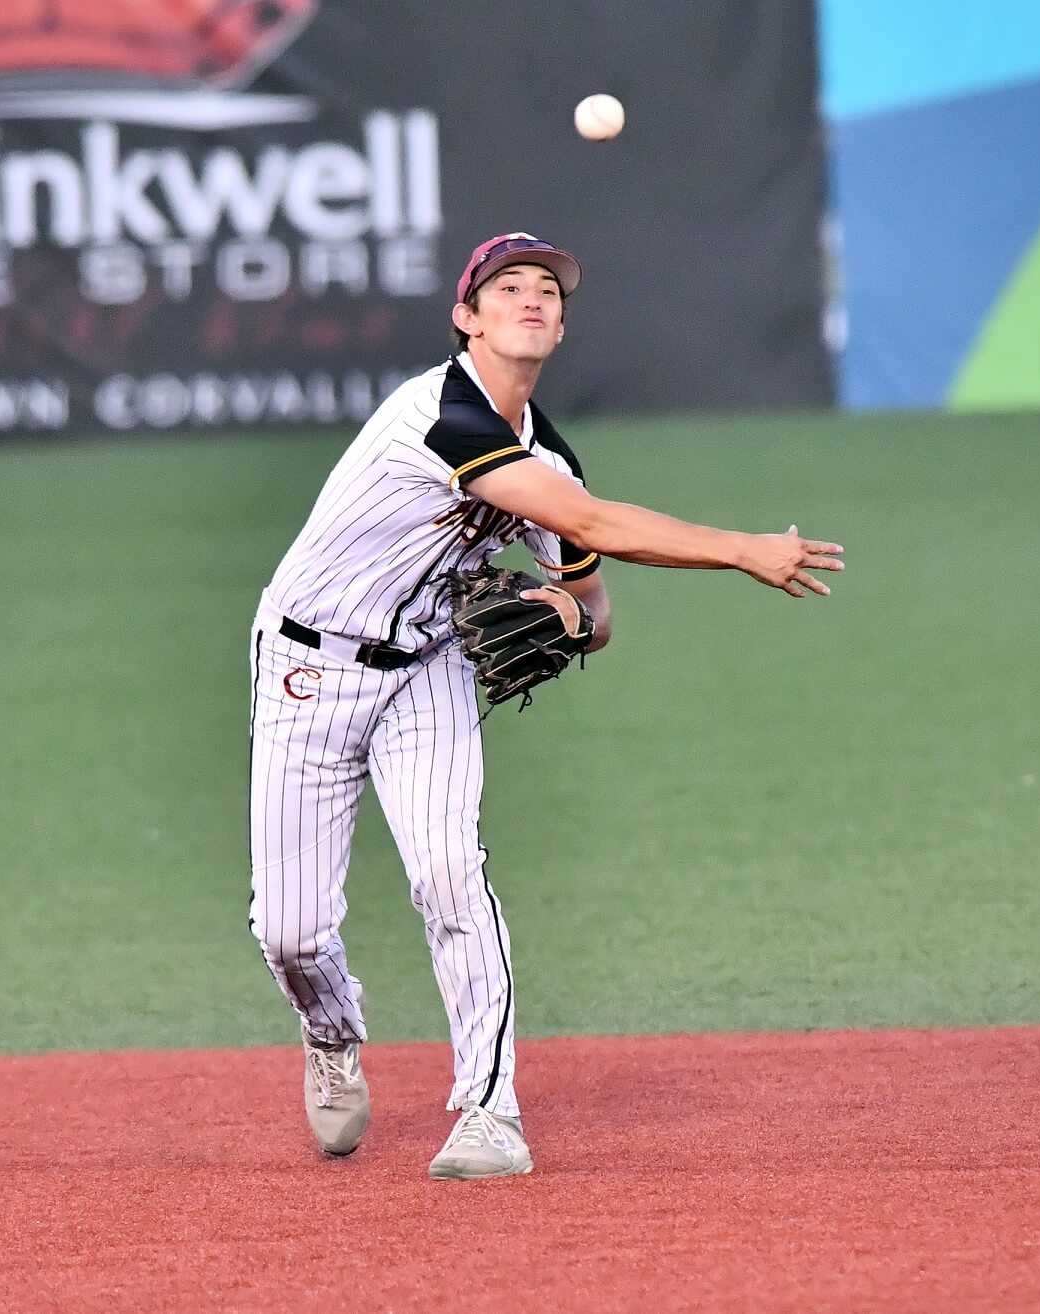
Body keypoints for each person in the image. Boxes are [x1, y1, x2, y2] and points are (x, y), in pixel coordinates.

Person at [247, 232, 844, 1180]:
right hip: (306, 670)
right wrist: (739, 549)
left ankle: (490, 1113)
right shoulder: (439, 418)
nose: (530, 300)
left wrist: (567, 607)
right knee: (291, 932)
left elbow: (593, 612)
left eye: (547, 292)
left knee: (450, 873)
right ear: (466, 317)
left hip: (427, 674)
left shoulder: (544, 456)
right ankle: (330, 1031)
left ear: (560, 327)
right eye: (507, 287)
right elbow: (595, 523)